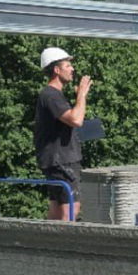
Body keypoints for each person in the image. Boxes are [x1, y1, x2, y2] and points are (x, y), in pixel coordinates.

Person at [34, 46, 91, 221]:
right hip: (62, 161)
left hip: (57, 160)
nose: (72, 69)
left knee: (57, 209)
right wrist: (81, 95)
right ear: (57, 70)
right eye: (68, 66)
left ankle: (47, 244)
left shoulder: (51, 95)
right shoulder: (51, 95)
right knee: (70, 208)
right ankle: (66, 245)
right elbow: (76, 120)